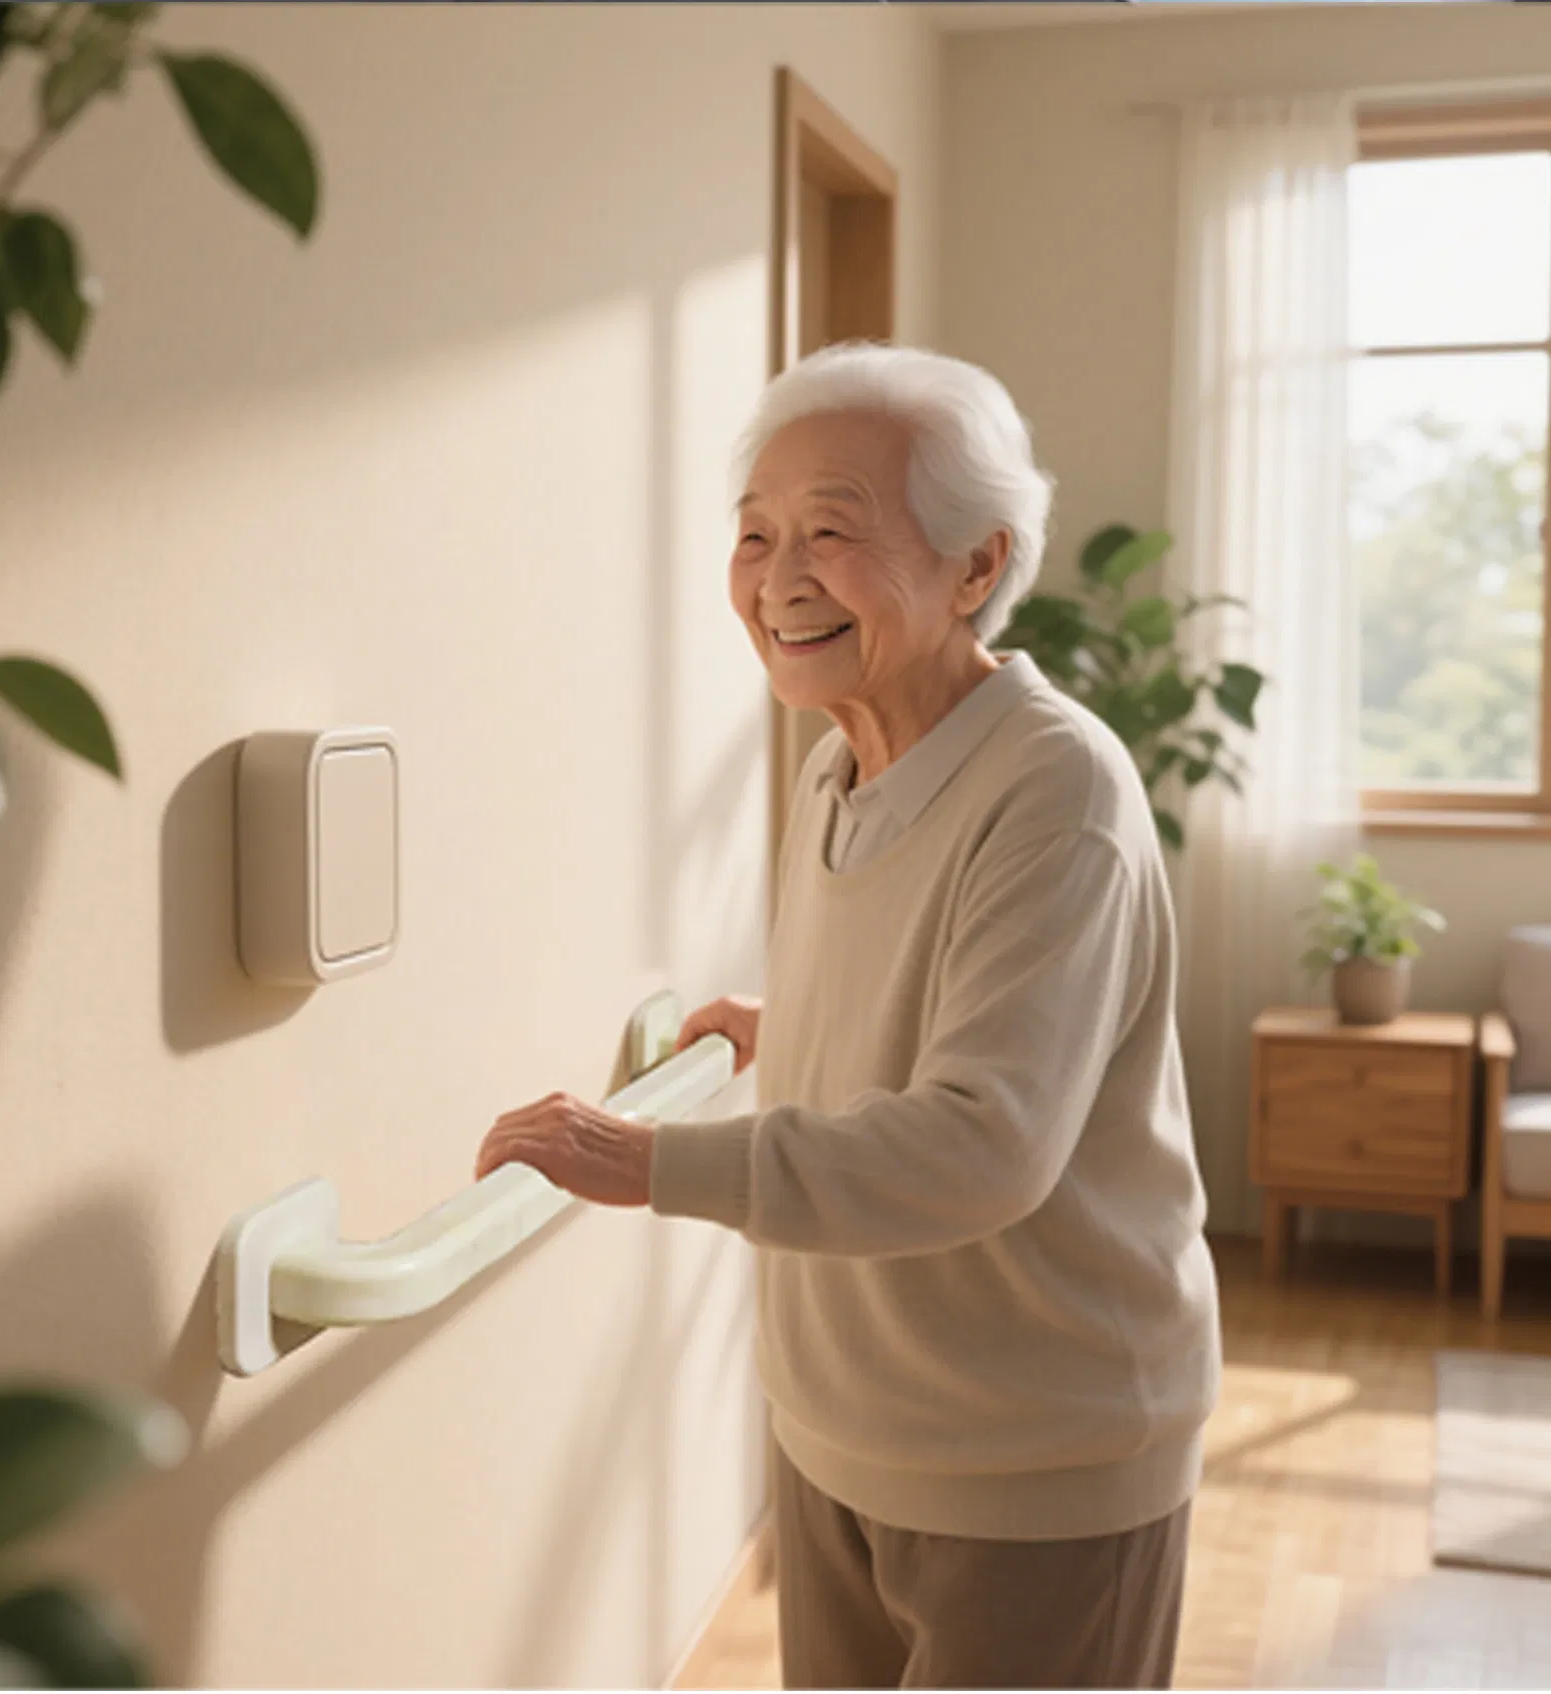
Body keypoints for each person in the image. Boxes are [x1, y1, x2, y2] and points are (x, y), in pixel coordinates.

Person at [475, 342, 1221, 1690]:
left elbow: (983, 1141)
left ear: (976, 567)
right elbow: (953, 991)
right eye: (754, 534)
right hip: (839, 1428)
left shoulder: (1056, 794)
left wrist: (644, 1163)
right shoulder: (841, 761)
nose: (777, 578)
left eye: (832, 531)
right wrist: (798, 1020)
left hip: (1034, 1457)